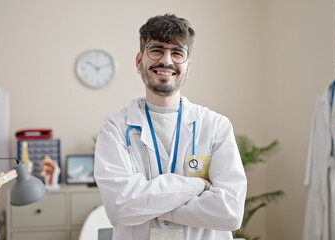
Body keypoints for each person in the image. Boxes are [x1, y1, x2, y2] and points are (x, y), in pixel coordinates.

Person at [94, 14, 247, 240]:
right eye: (156, 50)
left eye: (177, 52)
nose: (166, 60)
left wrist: (145, 205)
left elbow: (230, 213)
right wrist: (196, 186)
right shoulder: (115, 128)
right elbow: (119, 208)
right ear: (139, 60)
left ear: (187, 66)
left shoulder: (216, 126)